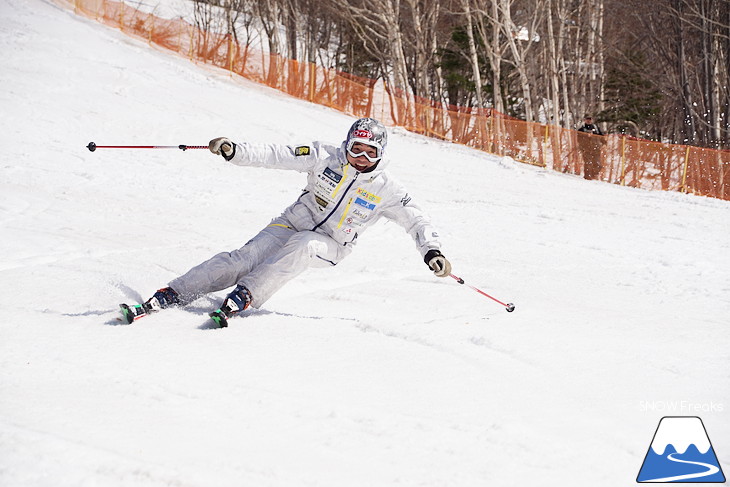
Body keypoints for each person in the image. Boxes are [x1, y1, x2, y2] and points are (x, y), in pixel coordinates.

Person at [120, 118, 451, 326]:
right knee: (243, 259)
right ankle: (175, 291)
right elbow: (277, 153)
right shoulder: (324, 156)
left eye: (370, 154)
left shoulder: (387, 189)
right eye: (356, 150)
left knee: (304, 247)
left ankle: (247, 294)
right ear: (346, 145)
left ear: (381, 156)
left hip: (332, 244)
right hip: (294, 221)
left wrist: (431, 250)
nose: (361, 159)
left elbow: (416, 219)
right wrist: (235, 151)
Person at [576, 115, 607, 180]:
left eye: (590, 119)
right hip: (586, 149)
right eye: (587, 119)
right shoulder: (581, 129)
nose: (589, 120)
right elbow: (579, 139)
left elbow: (601, 136)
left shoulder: (596, 128)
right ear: (585, 120)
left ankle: (594, 175)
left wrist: (604, 143)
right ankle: (587, 177)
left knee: (597, 164)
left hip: (596, 149)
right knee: (588, 163)